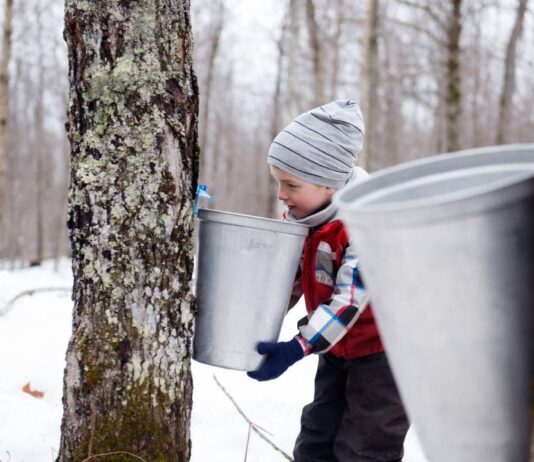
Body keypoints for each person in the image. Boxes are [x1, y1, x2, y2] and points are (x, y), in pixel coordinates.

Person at [247, 100, 409, 462]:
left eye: (291, 184)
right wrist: (253, 317)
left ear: (329, 185)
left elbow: (348, 301)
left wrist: (296, 347)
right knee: (316, 438)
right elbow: (288, 278)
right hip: (338, 349)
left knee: (365, 445)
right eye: (278, 182)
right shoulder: (306, 218)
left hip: (388, 355)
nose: (281, 195)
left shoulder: (365, 224)